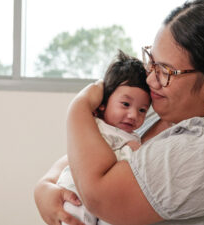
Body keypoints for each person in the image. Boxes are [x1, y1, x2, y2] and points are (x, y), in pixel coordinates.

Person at [34, 0, 204, 224]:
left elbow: (100, 197)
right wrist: (45, 186)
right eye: (152, 62)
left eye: (166, 71)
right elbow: (84, 156)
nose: (151, 79)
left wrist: (79, 106)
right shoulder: (157, 113)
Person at [57, 50, 151, 225]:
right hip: (75, 191)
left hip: (108, 199)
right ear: (102, 104)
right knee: (73, 217)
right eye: (125, 104)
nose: (132, 115)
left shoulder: (135, 138)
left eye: (142, 110)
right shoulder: (93, 125)